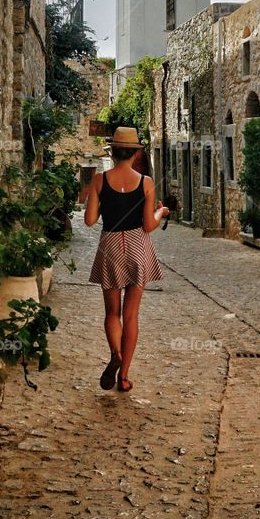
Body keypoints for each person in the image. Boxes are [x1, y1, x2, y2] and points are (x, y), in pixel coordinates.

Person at [84, 126, 169, 392]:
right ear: (134, 153)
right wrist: (161, 213)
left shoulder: (99, 180)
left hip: (110, 244)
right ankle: (124, 376)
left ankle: (115, 353)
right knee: (131, 315)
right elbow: (148, 225)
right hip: (137, 246)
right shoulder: (145, 182)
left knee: (112, 313)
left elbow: (88, 221)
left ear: (114, 152)